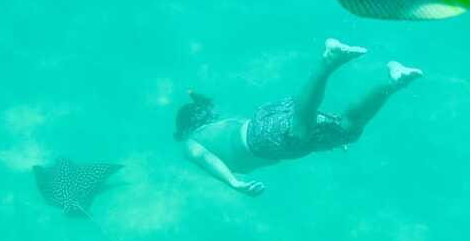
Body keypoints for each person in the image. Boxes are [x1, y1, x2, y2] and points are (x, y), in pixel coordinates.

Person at [174, 39, 422, 196]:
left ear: (185, 126)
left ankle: (329, 61)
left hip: (261, 139)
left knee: (299, 137)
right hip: (265, 120)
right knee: (348, 130)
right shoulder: (217, 125)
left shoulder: (190, 142)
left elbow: (205, 159)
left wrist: (232, 183)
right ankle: (394, 81)